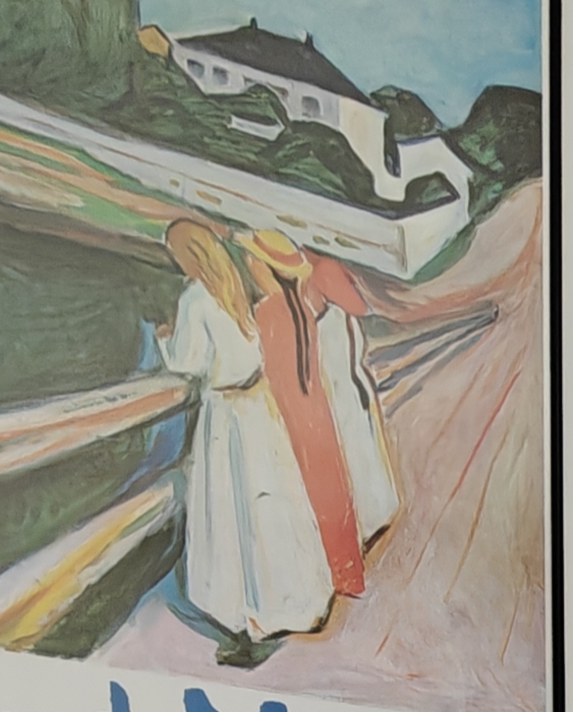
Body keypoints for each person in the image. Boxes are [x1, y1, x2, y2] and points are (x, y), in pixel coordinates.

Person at [160, 219, 332, 663]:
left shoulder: (195, 298)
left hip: (227, 415)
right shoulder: (234, 290)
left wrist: (164, 342)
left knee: (234, 517)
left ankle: (246, 623)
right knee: (268, 511)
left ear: (189, 257)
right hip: (257, 407)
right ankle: (286, 606)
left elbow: (189, 362)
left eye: (176, 253)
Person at [243, 231, 365, 601]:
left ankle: (319, 581)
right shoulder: (299, 306)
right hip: (315, 408)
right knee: (332, 491)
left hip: (289, 415)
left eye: (254, 260)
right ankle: (348, 573)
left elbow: (263, 370)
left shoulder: (265, 312)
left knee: (302, 496)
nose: (249, 266)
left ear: (266, 269)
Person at [306, 255, 402, 553]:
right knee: (357, 448)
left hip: (341, 382)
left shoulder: (317, 269)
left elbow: (358, 307)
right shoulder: (323, 269)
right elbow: (361, 307)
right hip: (339, 382)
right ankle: (372, 517)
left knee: (357, 448)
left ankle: (369, 518)